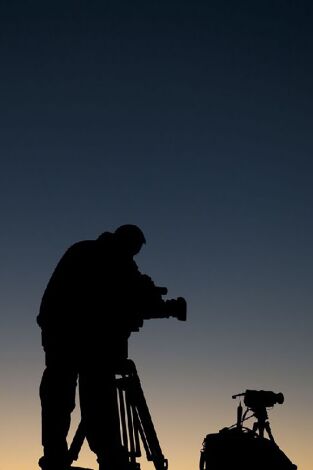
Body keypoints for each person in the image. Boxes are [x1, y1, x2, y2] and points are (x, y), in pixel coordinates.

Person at [37, 224, 155, 470]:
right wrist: (142, 290)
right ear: (124, 243)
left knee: (80, 395)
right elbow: (120, 288)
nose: (132, 257)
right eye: (132, 251)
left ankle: (81, 453)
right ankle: (96, 454)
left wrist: (143, 286)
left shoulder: (107, 256)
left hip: (80, 339)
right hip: (73, 337)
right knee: (83, 396)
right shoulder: (96, 255)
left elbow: (131, 283)